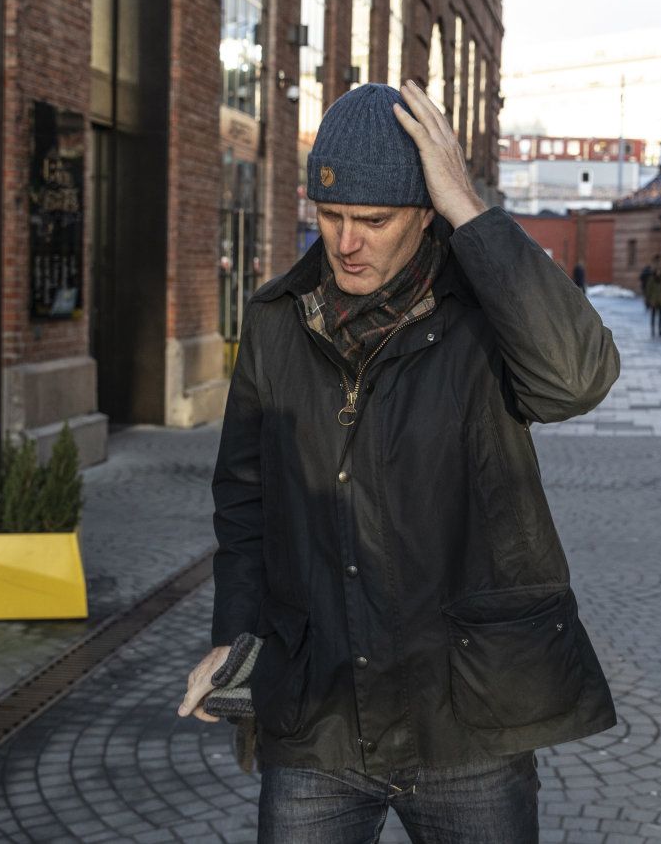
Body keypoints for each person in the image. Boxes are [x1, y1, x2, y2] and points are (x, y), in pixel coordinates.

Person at [178, 81, 619, 843]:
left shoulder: (482, 316)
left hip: (467, 719)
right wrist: (235, 636)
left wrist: (471, 211)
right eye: (330, 216)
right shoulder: (278, 321)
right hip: (317, 716)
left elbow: (576, 378)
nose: (346, 242)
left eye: (374, 220)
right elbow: (245, 499)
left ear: (423, 213)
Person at [644, 262, 661, 337]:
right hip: (653, 300)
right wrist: (648, 299)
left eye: (660, 271)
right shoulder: (651, 279)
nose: (658, 272)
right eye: (657, 271)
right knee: (653, 316)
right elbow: (648, 290)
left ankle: (660, 330)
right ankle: (653, 330)